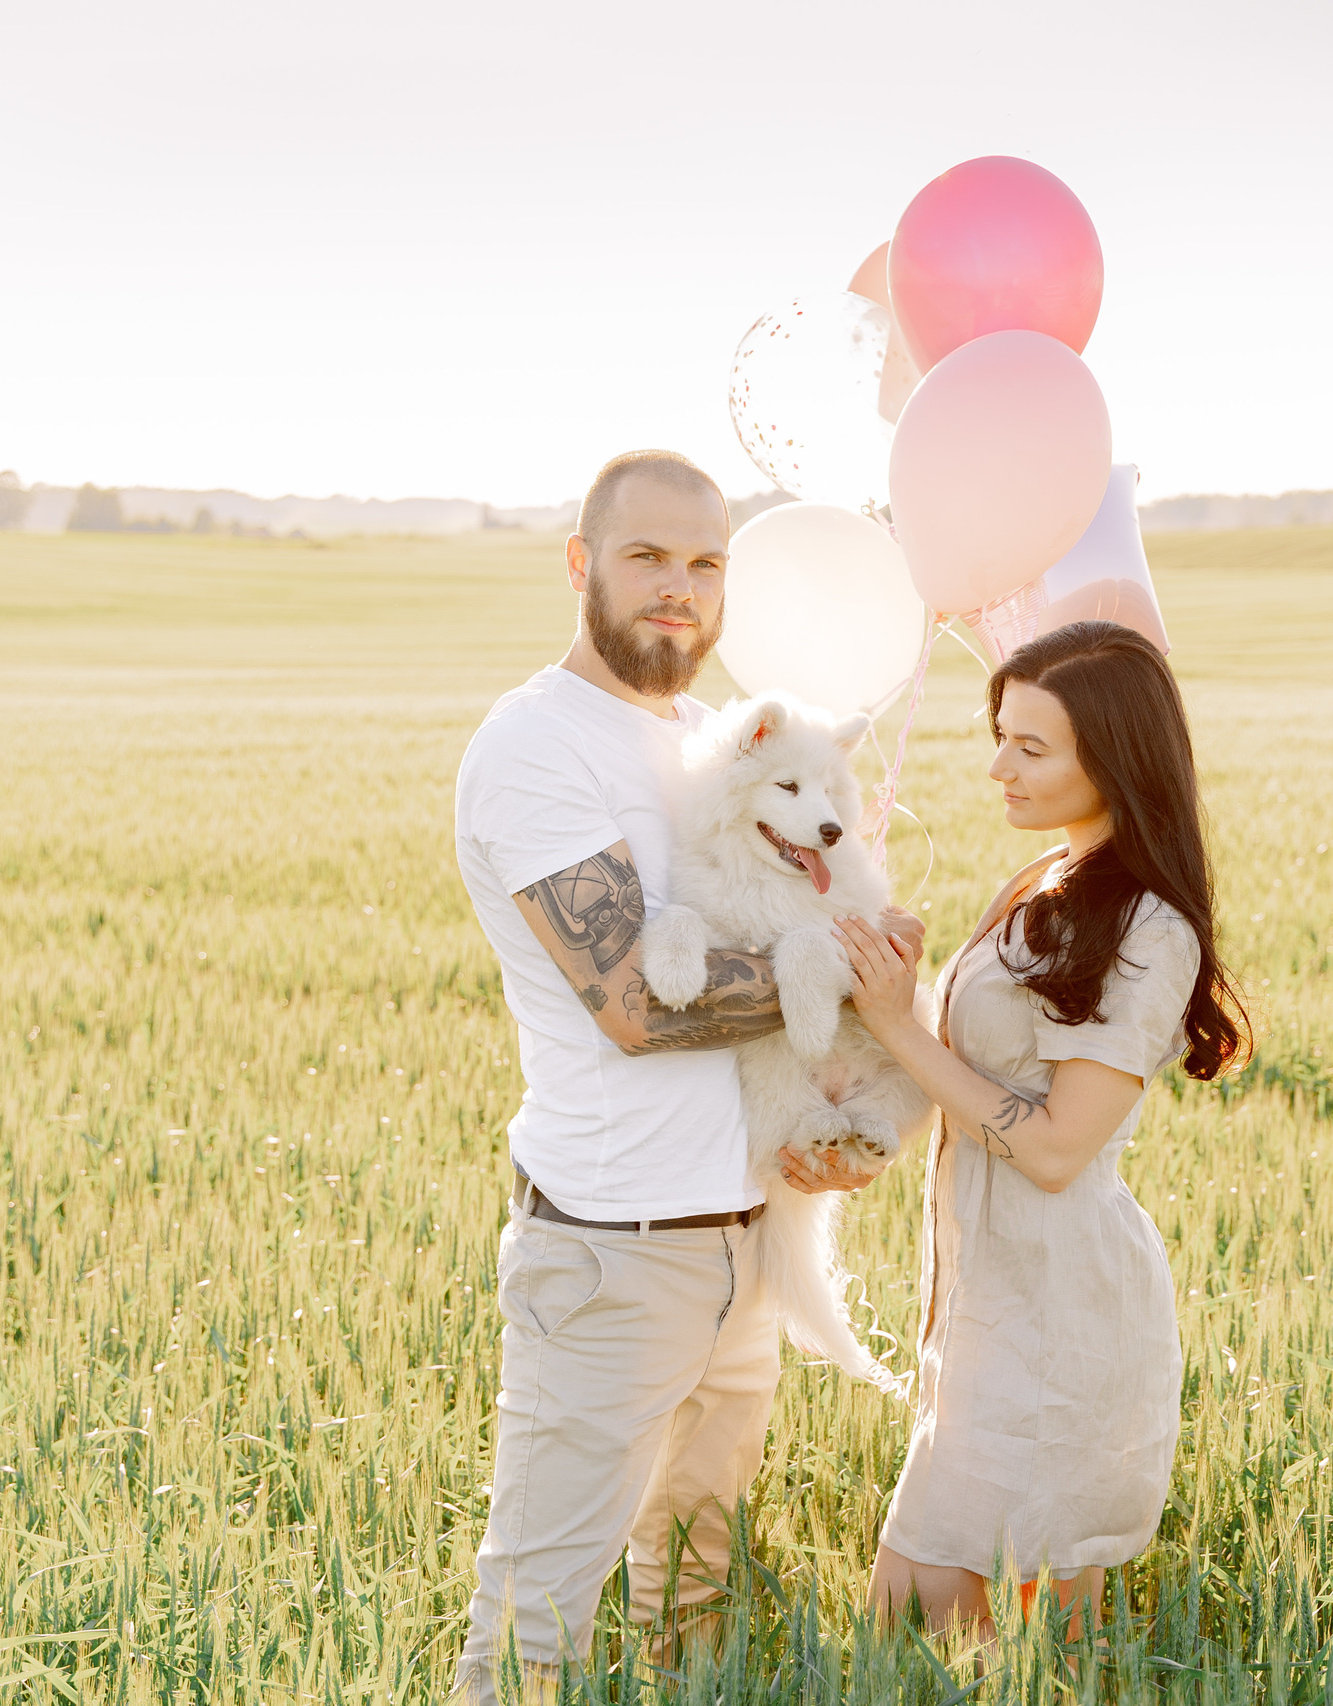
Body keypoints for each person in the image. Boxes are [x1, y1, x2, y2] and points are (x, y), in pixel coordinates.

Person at [449, 449, 924, 1702]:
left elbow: (766, 963)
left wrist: (833, 1112)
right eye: (647, 556)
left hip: (740, 1241)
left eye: (705, 562)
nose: (679, 588)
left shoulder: (708, 743)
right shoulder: (538, 745)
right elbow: (629, 1002)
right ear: (580, 565)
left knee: (693, 1602)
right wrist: (856, 976)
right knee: (533, 1622)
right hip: (614, 1254)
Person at [828, 619, 1251, 1636]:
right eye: (999, 734)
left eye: (1030, 745)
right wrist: (899, 992)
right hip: (982, 1307)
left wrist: (899, 1020)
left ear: (1112, 756)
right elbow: (972, 1067)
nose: (995, 767)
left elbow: (1059, 1146)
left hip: (1062, 1317)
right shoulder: (1041, 882)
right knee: (909, 1638)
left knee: (1002, 1647)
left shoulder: (1148, 925)